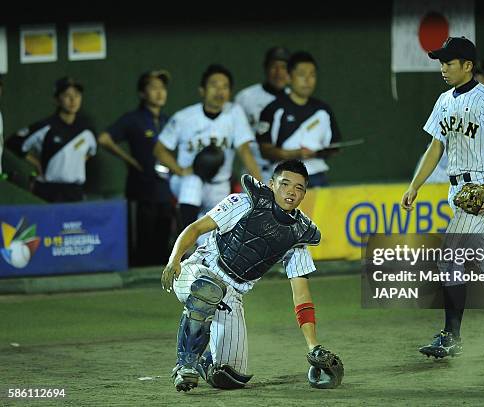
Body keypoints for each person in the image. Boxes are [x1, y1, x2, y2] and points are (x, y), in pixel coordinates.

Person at [401, 37, 484, 358]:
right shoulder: (444, 101)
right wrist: (415, 185)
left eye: (449, 63)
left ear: (468, 66)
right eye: (441, 63)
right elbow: (436, 147)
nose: (443, 68)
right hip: (457, 190)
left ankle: (451, 336)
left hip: (480, 191)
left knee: (449, 258)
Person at [161, 160, 342, 391]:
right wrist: (174, 260)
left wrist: (313, 345)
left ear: (304, 194)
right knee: (208, 289)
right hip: (198, 271)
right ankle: (185, 365)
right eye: (285, 184)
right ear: (271, 184)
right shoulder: (244, 202)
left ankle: (203, 362)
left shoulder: (298, 235)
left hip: (232, 294)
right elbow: (195, 228)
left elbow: (302, 294)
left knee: (230, 377)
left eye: (299, 188)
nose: (291, 192)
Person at [153, 64, 261, 233]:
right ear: (202, 90)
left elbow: (245, 151)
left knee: (210, 243)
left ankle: (191, 242)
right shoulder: (184, 117)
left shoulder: (234, 112)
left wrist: (261, 187)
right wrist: (180, 171)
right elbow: (159, 150)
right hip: (185, 181)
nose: (220, 91)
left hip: (219, 186)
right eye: (214, 85)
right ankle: (184, 242)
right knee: (193, 181)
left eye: (225, 87)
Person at [97, 70, 174, 266]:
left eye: (162, 88)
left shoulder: (168, 120)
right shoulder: (133, 119)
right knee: (143, 240)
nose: (160, 92)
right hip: (142, 190)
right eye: (153, 87)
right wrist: (128, 160)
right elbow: (104, 139)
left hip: (166, 190)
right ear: (142, 93)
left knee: (164, 239)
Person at [257, 51, 341, 186]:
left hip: (317, 175)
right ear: (289, 77)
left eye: (312, 75)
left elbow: (335, 145)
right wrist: (294, 154)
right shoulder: (273, 109)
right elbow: (265, 149)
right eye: (302, 74)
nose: (307, 80)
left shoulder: (323, 109)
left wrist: (321, 152)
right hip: (284, 176)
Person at [9, 77, 96, 202]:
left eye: (77, 95)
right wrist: (37, 163)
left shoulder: (87, 131)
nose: (73, 100)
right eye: (67, 95)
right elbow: (14, 142)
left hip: (75, 191)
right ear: (57, 99)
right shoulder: (45, 127)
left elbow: (91, 151)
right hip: (49, 190)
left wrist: (74, 164)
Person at [235, 46, 291, 182]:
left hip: (287, 173)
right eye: (274, 67)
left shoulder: (295, 99)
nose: (278, 72)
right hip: (254, 170)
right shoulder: (245, 97)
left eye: (283, 67)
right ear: (266, 68)